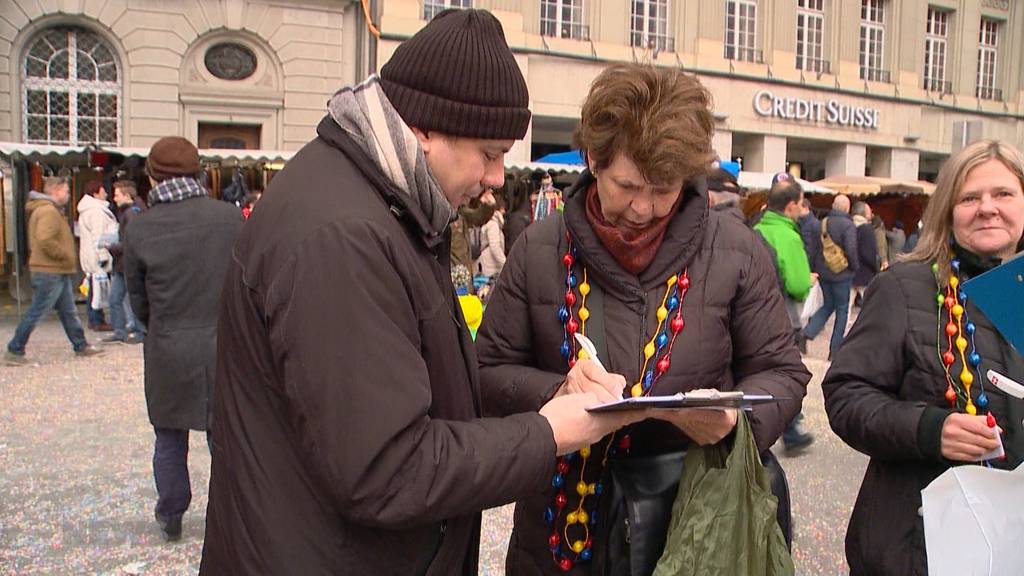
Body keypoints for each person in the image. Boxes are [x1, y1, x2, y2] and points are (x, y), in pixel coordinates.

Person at [200, 10, 638, 574]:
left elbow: (416, 392)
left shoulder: (387, 204)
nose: (499, 176)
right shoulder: (341, 236)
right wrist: (550, 432)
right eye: (489, 152)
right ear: (425, 129)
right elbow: (387, 470)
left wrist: (554, 397)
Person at [476, 63, 809, 574]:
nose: (642, 208)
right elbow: (487, 373)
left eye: (663, 188)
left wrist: (731, 421)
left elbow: (783, 372)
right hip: (561, 531)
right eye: (627, 185)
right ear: (593, 161)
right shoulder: (538, 249)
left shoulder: (737, 249)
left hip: (693, 526)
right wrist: (557, 394)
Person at [822, 139, 1024, 575]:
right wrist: (929, 429)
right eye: (970, 197)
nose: (987, 208)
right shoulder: (905, 286)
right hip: (919, 546)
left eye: (1003, 194)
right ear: (948, 209)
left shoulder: (1018, 288)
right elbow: (845, 395)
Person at [125, 136, 243, 542]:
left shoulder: (139, 227)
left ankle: (171, 513)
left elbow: (138, 299)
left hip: (169, 344)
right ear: (198, 172)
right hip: (221, 343)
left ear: (153, 176)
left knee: (169, 436)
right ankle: (234, 513)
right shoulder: (229, 218)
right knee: (225, 436)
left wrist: (160, 326)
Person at [5, 177, 102, 364]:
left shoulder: (47, 210)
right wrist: (65, 255)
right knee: (38, 310)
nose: (67, 195)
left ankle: (80, 344)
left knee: (68, 311)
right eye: (66, 191)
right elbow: (45, 239)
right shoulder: (48, 212)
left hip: (55, 270)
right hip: (49, 270)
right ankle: (15, 348)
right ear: (56, 191)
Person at [753, 173, 815, 451]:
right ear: (791, 206)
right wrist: (809, 281)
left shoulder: (756, 228)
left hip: (755, 315)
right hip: (783, 314)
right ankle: (790, 428)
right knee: (787, 372)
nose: (802, 210)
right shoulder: (788, 236)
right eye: (801, 204)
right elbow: (798, 284)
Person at [802, 194, 858, 357]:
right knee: (842, 310)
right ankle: (834, 349)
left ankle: (806, 333)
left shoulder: (822, 223)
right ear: (847, 208)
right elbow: (851, 249)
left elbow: (815, 249)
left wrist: (815, 268)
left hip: (824, 272)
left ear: (833, 205)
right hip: (842, 273)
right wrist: (854, 268)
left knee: (828, 305)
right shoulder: (848, 226)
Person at [103, 181, 145, 344]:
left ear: (127, 196)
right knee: (115, 298)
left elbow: (132, 241)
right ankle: (120, 331)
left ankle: (140, 331)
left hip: (128, 262)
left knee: (131, 298)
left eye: (117, 194)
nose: (114, 198)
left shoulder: (132, 214)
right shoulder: (129, 212)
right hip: (122, 263)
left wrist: (113, 247)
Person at [77, 179, 119, 331]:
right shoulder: (96, 211)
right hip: (97, 257)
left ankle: (95, 318)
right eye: (103, 190)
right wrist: (103, 257)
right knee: (97, 289)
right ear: (95, 193)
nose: (106, 193)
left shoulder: (89, 210)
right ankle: (96, 319)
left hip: (90, 255)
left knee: (94, 288)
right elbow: (99, 236)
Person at [850, 201, 880, 308]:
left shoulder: (850, 226)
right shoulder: (867, 229)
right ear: (864, 213)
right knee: (870, 305)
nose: (871, 212)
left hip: (851, 271)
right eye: (869, 210)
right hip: (865, 273)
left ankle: (842, 325)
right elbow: (870, 253)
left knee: (846, 307)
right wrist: (876, 268)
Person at [478, 190, 507, 279]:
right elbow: (495, 247)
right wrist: (506, 264)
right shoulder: (493, 224)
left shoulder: (491, 222)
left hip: (489, 264)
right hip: (490, 266)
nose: (504, 211)